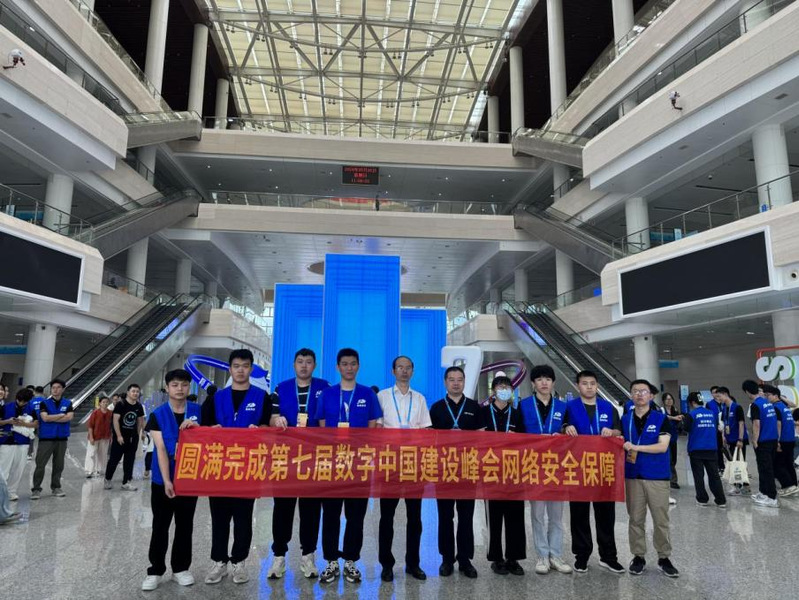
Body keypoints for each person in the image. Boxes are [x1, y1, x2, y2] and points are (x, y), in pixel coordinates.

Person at [203, 349, 276, 586]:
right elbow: (203, 430)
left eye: (245, 366)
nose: (241, 370)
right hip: (219, 467)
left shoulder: (262, 397)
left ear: (251, 369)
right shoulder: (216, 398)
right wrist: (209, 431)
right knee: (219, 518)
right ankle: (219, 561)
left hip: (248, 468)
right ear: (230, 369)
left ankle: (239, 561)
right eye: (236, 366)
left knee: (244, 517)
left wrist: (261, 430)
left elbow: (267, 428)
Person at [316, 348, 382, 584]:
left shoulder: (367, 394)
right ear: (338, 367)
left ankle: (351, 560)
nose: (349, 368)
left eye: (353, 363)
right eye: (344, 364)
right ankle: (331, 561)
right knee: (331, 515)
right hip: (332, 464)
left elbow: (373, 425)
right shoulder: (327, 394)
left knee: (356, 516)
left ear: (358, 366)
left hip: (358, 464)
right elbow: (323, 425)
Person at [268, 348, 330, 580]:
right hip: (285, 458)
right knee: (282, 509)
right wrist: (277, 420)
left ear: (315, 365)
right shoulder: (281, 388)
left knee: (311, 509)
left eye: (309, 362)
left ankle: (308, 556)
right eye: (300, 362)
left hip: (314, 458)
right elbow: (272, 418)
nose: (304, 366)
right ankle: (279, 557)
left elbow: (329, 419)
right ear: (294, 365)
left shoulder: (325, 388)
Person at [141, 369, 201, 591]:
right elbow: (160, 449)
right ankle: (155, 570)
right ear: (167, 388)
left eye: (184, 384)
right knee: (160, 526)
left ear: (189, 387)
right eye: (175, 385)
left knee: (185, 526)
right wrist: (167, 481)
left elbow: (210, 437)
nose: (180, 389)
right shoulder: (158, 415)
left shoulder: (198, 411)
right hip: (162, 481)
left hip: (189, 480)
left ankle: (181, 569)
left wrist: (198, 428)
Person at [376, 355, 431, 582]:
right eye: (400, 367)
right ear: (393, 371)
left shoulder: (419, 399)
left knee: (415, 518)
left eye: (408, 368)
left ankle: (413, 563)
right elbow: (376, 430)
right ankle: (386, 564)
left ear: (412, 371)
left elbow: (426, 430)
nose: (404, 371)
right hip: (389, 464)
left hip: (413, 464)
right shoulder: (382, 397)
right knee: (386, 517)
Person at [563, 370, 624, 574]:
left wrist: (612, 432)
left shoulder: (608, 407)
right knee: (579, 514)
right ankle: (581, 556)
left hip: (603, 468)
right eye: (584, 383)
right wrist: (566, 427)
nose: (589, 387)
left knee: (606, 514)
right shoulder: (569, 407)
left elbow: (619, 431)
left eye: (592, 383)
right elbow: (561, 428)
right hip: (577, 468)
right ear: (577, 386)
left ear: (597, 386)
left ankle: (609, 556)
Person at [430, 365, 483, 579]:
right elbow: (430, 439)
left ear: (464, 381)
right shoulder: (436, 408)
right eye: (451, 379)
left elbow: (482, 437)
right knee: (445, 516)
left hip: (468, 468)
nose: (455, 383)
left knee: (466, 516)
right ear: (445, 382)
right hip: (444, 469)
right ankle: (446, 559)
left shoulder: (474, 407)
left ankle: (465, 559)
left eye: (459, 379)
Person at [622, 380, 679, 578]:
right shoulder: (625, 419)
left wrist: (635, 447)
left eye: (643, 391)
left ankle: (664, 557)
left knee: (660, 519)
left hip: (657, 476)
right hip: (633, 476)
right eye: (635, 391)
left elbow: (662, 446)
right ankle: (638, 556)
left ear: (651, 396)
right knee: (635, 519)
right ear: (631, 395)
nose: (639, 394)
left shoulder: (661, 418)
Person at [519, 365, 571, 576]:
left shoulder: (563, 407)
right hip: (533, 466)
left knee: (557, 516)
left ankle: (556, 555)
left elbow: (570, 433)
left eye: (548, 379)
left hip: (557, 467)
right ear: (533, 383)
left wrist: (565, 430)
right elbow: (517, 436)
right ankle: (542, 555)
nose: (544, 383)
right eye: (539, 379)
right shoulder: (523, 405)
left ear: (553, 383)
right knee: (538, 514)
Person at [482, 374, 526, 576]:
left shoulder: (517, 414)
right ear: (493, 391)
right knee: (494, 516)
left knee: (515, 516)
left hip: (513, 471)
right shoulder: (483, 413)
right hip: (490, 471)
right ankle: (496, 558)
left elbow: (527, 442)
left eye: (507, 387)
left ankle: (514, 558)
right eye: (500, 387)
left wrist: (518, 439)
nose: (504, 390)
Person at [31, 379, 73, 499]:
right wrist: (60, 416)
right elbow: (45, 418)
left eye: (58, 387)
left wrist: (52, 417)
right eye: (53, 387)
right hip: (46, 438)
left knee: (59, 465)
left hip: (62, 438)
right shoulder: (44, 403)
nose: (55, 390)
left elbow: (68, 418)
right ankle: (36, 489)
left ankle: (56, 487)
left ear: (63, 389)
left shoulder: (68, 403)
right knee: (40, 464)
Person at [683, 393, 726, 508]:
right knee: (714, 475)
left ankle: (702, 499)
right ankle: (721, 500)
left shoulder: (691, 414)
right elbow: (716, 428)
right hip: (711, 448)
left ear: (692, 403)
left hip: (696, 449)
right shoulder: (712, 414)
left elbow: (686, 429)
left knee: (698, 475)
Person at [742, 379, 779, 507]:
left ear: (747, 391)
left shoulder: (755, 405)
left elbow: (756, 424)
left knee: (766, 469)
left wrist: (754, 440)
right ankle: (763, 492)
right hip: (773, 439)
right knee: (764, 468)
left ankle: (771, 497)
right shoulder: (767, 403)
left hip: (763, 441)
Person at [104, 383, 145, 491]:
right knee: (114, 459)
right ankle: (108, 479)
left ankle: (126, 482)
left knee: (130, 460)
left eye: (137, 391)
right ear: (128, 392)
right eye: (133, 391)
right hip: (120, 438)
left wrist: (137, 434)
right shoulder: (121, 404)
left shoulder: (139, 406)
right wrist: (118, 436)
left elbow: (140, 420)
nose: (135, 393)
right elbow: (115, 420)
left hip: (132, 438)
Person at [0, 388, 36, 500]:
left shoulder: (31, 408)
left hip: (22, 441)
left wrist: (24, 424)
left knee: (18, 469)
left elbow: (36, 424)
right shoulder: (5, 407)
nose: (21, 403)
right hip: (6, 440)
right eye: (19, 401)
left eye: (24, 402)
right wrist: (8, 421)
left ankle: (11, 492)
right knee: (3, 469)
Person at [763, 385, 798, 496]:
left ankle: (788, 486)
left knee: (777, 465)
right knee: (788, 464)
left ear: (775, 396)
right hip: (790, 439)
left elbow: (778, 425)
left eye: (768, 395)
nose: (767, 397)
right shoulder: (784, 406)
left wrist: (777, 441)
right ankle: (794, 486)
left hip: (783, 440)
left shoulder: (775, 407)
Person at [718, 387, 751, 495]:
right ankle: (741, 486)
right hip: (730, 439)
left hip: (738, 440)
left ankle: (742, 487)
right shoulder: (724, 408)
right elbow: (724, 424)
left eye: (719, 396)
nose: (719, 399)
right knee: (734, 463)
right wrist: (724, 436)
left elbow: (741, 423)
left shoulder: (737, 407)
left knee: (739, 463)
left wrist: (740, 439)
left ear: (725, 394)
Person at [85, 396, 112, 478]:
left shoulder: (110, 413)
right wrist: (91, 437)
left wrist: (111, 436)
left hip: (105, 437)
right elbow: (90, 426)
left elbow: (112, 426)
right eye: (103, 402)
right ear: (100, 403)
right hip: (95, 436)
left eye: (107, 402)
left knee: (102, 454)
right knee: (91, 453)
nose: (105, 403)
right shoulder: (95, 413)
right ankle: (89, 470)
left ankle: (100, 469)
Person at [661, 393, 681, 489]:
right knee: (669, 459)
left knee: (674, 459)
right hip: (665, 438)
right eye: (667, 399)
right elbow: (663, 417)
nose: (669, 401)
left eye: (671, 399)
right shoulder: (661, 410)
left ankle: (669, 477)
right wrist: (674, 418)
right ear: (664, 401)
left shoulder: (675, 410)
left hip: (673, 438)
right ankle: (673, 480)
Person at [708, 387, 726, 473]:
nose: (716, 394)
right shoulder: (709, 404)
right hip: (716, 429)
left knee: (727, 448)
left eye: (717, 392)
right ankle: (720, 466)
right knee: (718, 448)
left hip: (726, 429)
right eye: (714, 392)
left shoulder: (724, 402)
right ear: (711, 394)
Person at [28, 386, 45, 460]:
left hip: (32, 422)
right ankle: (42, 454)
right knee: (42, 439)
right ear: (43, 392)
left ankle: (29, 454)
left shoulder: (31, 401)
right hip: (43, 422)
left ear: (34, 392)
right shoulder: (46, 401)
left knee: (31, 438)